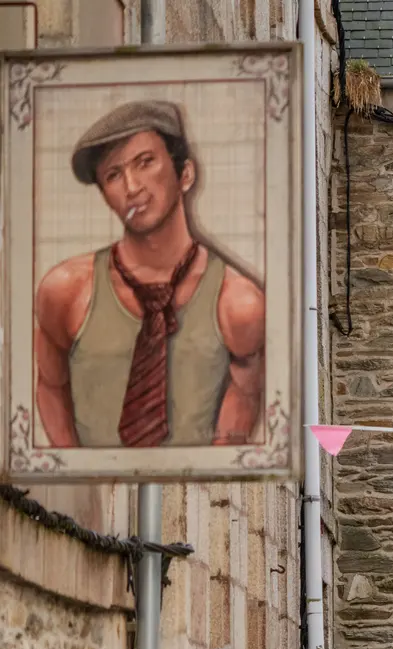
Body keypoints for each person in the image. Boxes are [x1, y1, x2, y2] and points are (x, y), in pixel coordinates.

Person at [32, 100, 266, 448]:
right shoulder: (65, 290)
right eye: (113, 175)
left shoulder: (237, 302)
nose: (131, 186)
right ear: (105, 195)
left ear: (184, 174)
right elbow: (50, 386)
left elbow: (245, 398)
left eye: (145, 162)